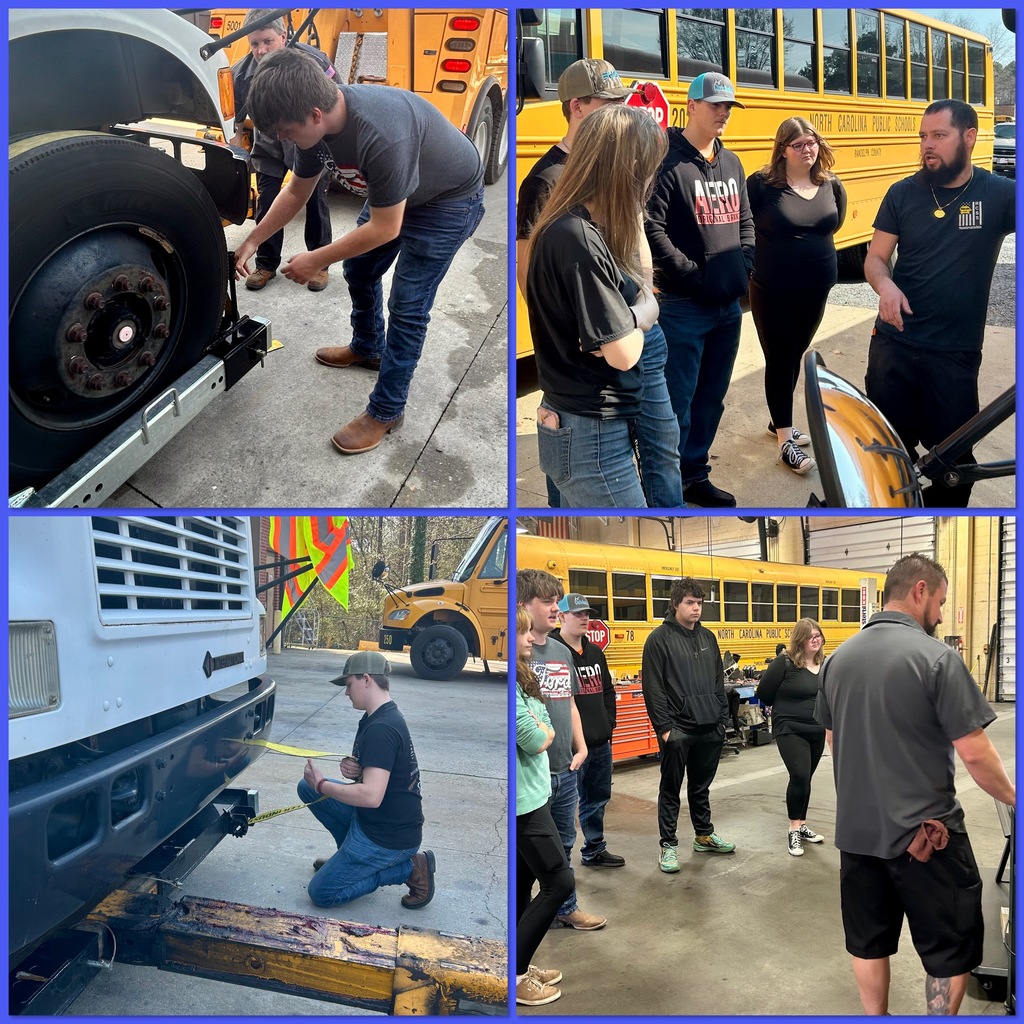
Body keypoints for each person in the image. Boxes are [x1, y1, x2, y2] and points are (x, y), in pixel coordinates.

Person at [235, 47, 485, 456]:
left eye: (285, 132)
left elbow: (387, 227)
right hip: (396, 193)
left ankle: (386, 411)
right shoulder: (311, 124)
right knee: (359, 271)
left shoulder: (381, 133)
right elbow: (297, 190)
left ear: (315, 114)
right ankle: (368, 348)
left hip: (447, 201)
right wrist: (253, 239)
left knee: (408, 306)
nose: (282, 140)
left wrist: (316, 258)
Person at [815, 553, 1015, 1015]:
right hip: (929, 840)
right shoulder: (936, 658)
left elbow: (832, 740)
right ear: (920, 590)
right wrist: (1014, 797)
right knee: (949, 948)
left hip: (859, 837)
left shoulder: (837, 660)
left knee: (868, 942)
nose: (942, 614)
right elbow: (976, 752)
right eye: (941, 601)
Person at [516, 59, 682, 509]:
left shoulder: (588, 210)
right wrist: (634, 316)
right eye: (607, 104)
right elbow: (533, 281)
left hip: (606, 358)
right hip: (594, 400)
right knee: (622, 521)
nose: (652, 180)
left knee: (661, 446)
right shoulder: (557, 203)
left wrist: (625, 310)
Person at [864, 99, 1015, 507]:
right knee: (884, 458)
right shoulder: (902, 193)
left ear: (968, 137)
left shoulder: (1000, 195)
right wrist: (886, 287)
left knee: (955, 471)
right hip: (894, 346)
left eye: (939, 136)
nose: (927, 145)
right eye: (923, 136)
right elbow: (875, 259)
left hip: (954, 356)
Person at [645, 72, 754, 508]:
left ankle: (695, 474)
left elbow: (745, 221)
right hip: (684, 307)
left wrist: (745, 267)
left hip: (728, 307)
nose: (723, 113)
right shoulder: (666, 161)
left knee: (712, 398)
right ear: (690, 106)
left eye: (728, 107)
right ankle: (666, 483)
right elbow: (651, 227)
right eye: (715, 105)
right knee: (676, 401)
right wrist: (691, 275)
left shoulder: (732, 163)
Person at [747, 117, 848, 476]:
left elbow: (834, 224)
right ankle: (785, 440)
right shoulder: (761, 185)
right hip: (772, 287)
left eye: (812, 142)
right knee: (779, 356)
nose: (807, 150)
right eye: (798, 144)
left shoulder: (830, 184)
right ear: (782, 149)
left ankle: (779, 422)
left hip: (817, 286)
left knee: (794, 354)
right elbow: (746, 226)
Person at [298, 652, 435, 910]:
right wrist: (357, 771)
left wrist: (322, 785)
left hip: (387, 837)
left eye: (349, 684)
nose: (346, 692)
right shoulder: (377, 717)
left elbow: (371, 796)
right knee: (306, 788)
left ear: (367, 679)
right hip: (377, 820)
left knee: (321, 892)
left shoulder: (381, 727)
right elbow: (381, 775)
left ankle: (408, 869)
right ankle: (347, 858)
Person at [517, 569, 606, 930]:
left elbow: (569, 703)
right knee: (527, 855)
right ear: (523, 605)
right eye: (548, 601)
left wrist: (581, 749)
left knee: (565, 842)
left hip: (566, 768)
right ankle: (525, 919)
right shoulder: (519, 654)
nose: (557, 607)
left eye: (558, 601)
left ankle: (564, 908)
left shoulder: (560, 651)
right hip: (533, 773)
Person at [230, 10, 334, 293]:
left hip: (310, 145)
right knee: (267, 202)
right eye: (254, 44)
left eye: (267, 41)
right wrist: (238, 146)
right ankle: (266, 263)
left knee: (314, 202)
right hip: (269, 147)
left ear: (283, 37)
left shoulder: (313, 62)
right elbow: (239, 122)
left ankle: (319, 264)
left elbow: (334, 102)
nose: (261, 50)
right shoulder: (239, 74)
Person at [641, 576, 735, 871]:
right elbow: (653, 687)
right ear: (675, 605)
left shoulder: (708, 638)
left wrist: (722, 721)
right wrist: (666, 729)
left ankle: (704, 836)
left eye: (700, 603)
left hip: (710, 727)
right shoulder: (659, 639)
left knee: (700, 787)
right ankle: (668, 845)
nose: (696, 609)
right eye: (690, 603)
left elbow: (719, 682)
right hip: (678, 730)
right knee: (671, 789)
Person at [515, 606, 571, 1007]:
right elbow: (536, 737)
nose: (529, 639)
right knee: (559, 883)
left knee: (522, 884)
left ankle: (516, 965)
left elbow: (543, 720)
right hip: (524, 804)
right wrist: (545, 728)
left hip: (534, 795)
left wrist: (544, 726)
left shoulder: (522, 678)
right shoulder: (512, 684)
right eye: (522, 633)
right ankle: (515, 977)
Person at [552, 593, 625, 868]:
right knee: (563, 806)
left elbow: (607, 690)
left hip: (600, 742)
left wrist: (609, 724)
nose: (586, 619)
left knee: (597, 799)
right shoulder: (554, 652)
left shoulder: (595, 652)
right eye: (578, 614)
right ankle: (560, 864)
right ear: (561, 617)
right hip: (569, 749)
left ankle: (594, 849)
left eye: (588, 614)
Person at [755, 617, 828, 857]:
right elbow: (763, 693)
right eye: (810, 636)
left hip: (816, 729)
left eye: (818, 635)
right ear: (800, 640)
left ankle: (803, 824)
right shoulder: (784, 663)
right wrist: (786, 709)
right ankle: (793, 829)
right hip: (790, 728)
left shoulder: (824, 664)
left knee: (806, 779)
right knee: (799, 775)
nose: (815, 639)